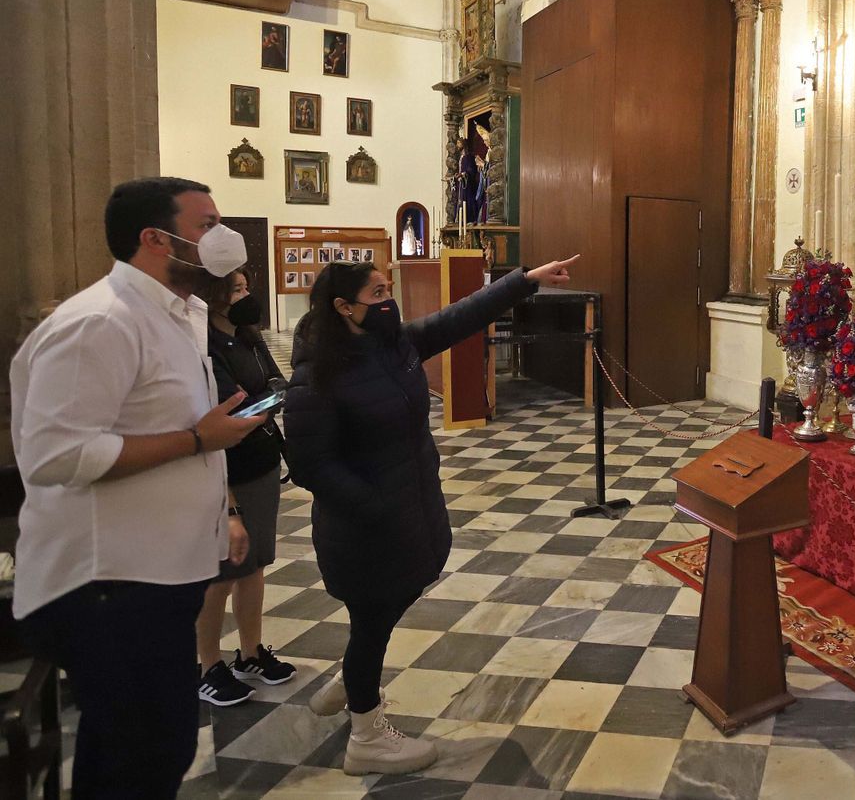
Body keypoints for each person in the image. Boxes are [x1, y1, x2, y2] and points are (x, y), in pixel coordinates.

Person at [10, 177, 264, 798]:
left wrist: (221, 510)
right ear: (156, 238)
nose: (222, 237)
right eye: (206, 224)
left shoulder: (181, 311)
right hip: (110, 584)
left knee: (157, 745)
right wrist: (200, 441)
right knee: (137, 756)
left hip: (161, 574)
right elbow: (54, 455)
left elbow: (190, 423)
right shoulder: (99, 321)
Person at [286, 253, 578, 776]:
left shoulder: (392, 344)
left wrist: (525, 283)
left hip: (409, 508)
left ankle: (358, 680)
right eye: (377, 295)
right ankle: (367, 735)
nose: (388, 301)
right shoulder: (318, 375)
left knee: (387, 606)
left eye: (387, 289)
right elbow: (311, 464)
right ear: (342, 308)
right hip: (365, 528)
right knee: (374, 617)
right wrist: (377, 509)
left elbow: (459, 317)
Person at [195, 268, 296, 706]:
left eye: (245, 286)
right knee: (221, 572)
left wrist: (257, 403)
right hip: (224, 468)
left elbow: (277, 386)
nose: (246, 295)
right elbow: (225, 409)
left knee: (254, 563)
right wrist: (256, 405)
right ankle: (207, 666)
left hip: (260, 460)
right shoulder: (203, 346)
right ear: (215, 296)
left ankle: (250, 653)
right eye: (237, 289)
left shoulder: (249, 335)